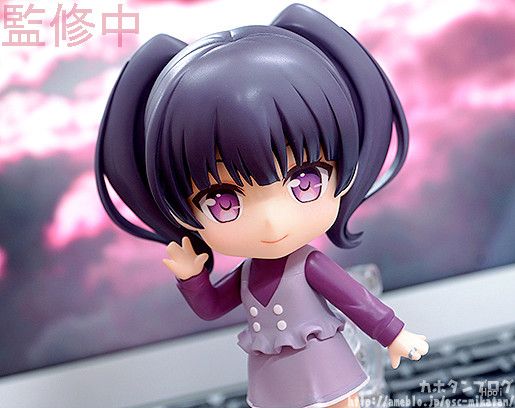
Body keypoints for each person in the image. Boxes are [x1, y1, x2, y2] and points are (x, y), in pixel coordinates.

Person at [95, 4, 429, 407]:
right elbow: (212, 307)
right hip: (273, 378)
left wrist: (394, 334)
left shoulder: (310, 265)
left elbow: (356, 301)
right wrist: (192, 277)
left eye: (305, 181)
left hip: (324, 367)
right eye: (223, 201)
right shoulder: (248, 273)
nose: (271, 222)